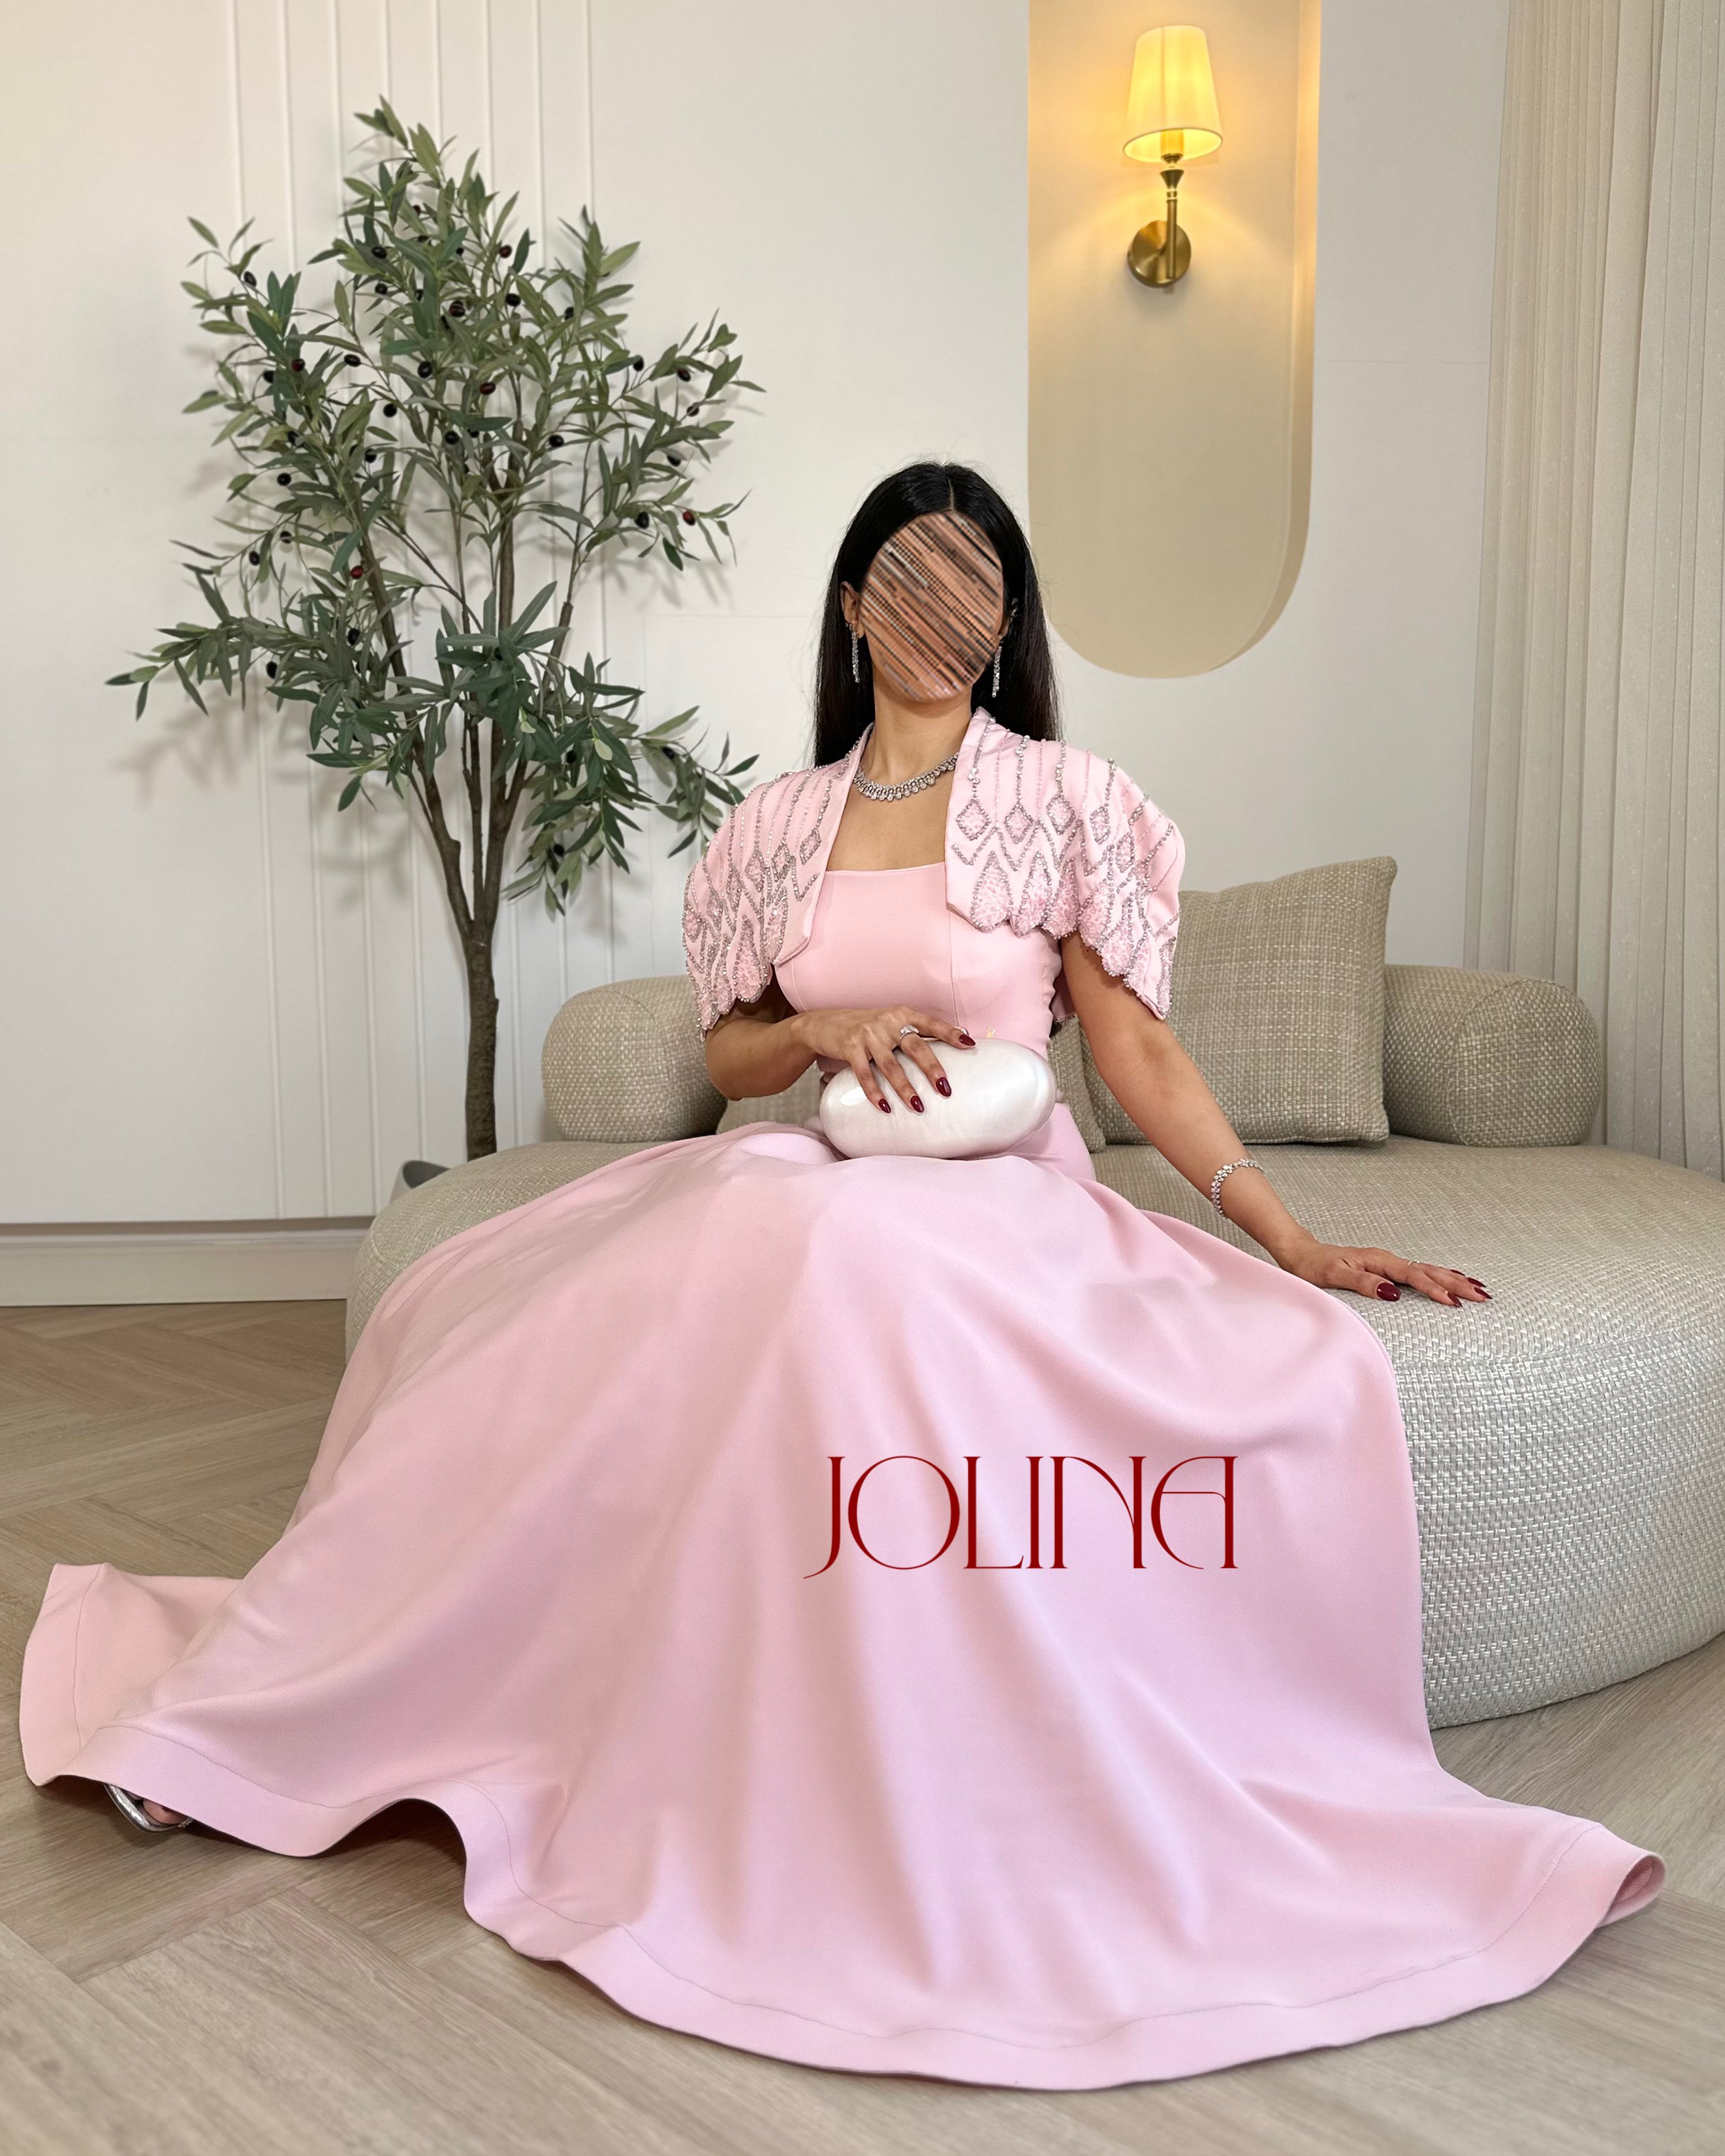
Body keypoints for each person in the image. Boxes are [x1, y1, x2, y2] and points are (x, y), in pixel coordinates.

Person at [18, 461, 1661, 2090]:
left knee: (824, 1250)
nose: (939, 609)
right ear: (857, 605)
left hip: (1001, 1192)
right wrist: (821, 1029)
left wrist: (1289, 1239)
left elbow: (1135, 1048)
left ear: (1004, 620)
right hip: (820, 1167)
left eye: (973, 581)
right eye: (907, 576)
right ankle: (268, 1710)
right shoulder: (778, 824)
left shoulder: (1062, 800)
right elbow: (734, 1057)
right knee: (528, 1296)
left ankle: (860, 1798)